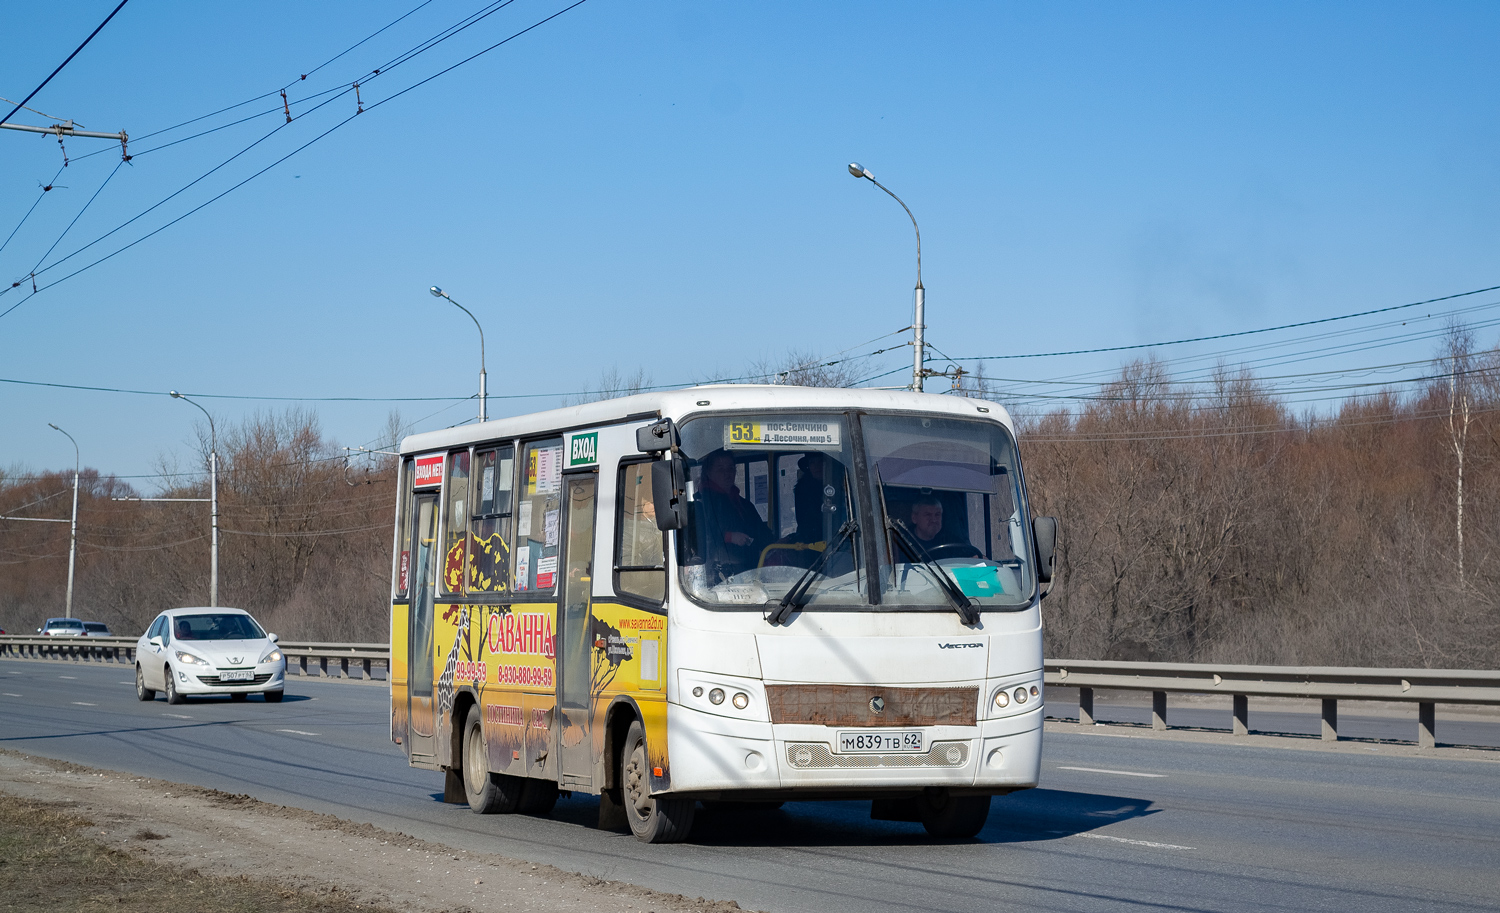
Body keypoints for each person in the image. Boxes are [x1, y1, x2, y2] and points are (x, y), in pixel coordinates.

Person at [694, 450, 772, 578]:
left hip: (751, 568)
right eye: (720, 469)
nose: (727, 474)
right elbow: (702, 535)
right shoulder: (703, 503)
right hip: (722, 572)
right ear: (708, 473)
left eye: (731, 469)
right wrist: (730, 537)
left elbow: (759, 530)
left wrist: (774, 541)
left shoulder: (743, 504)